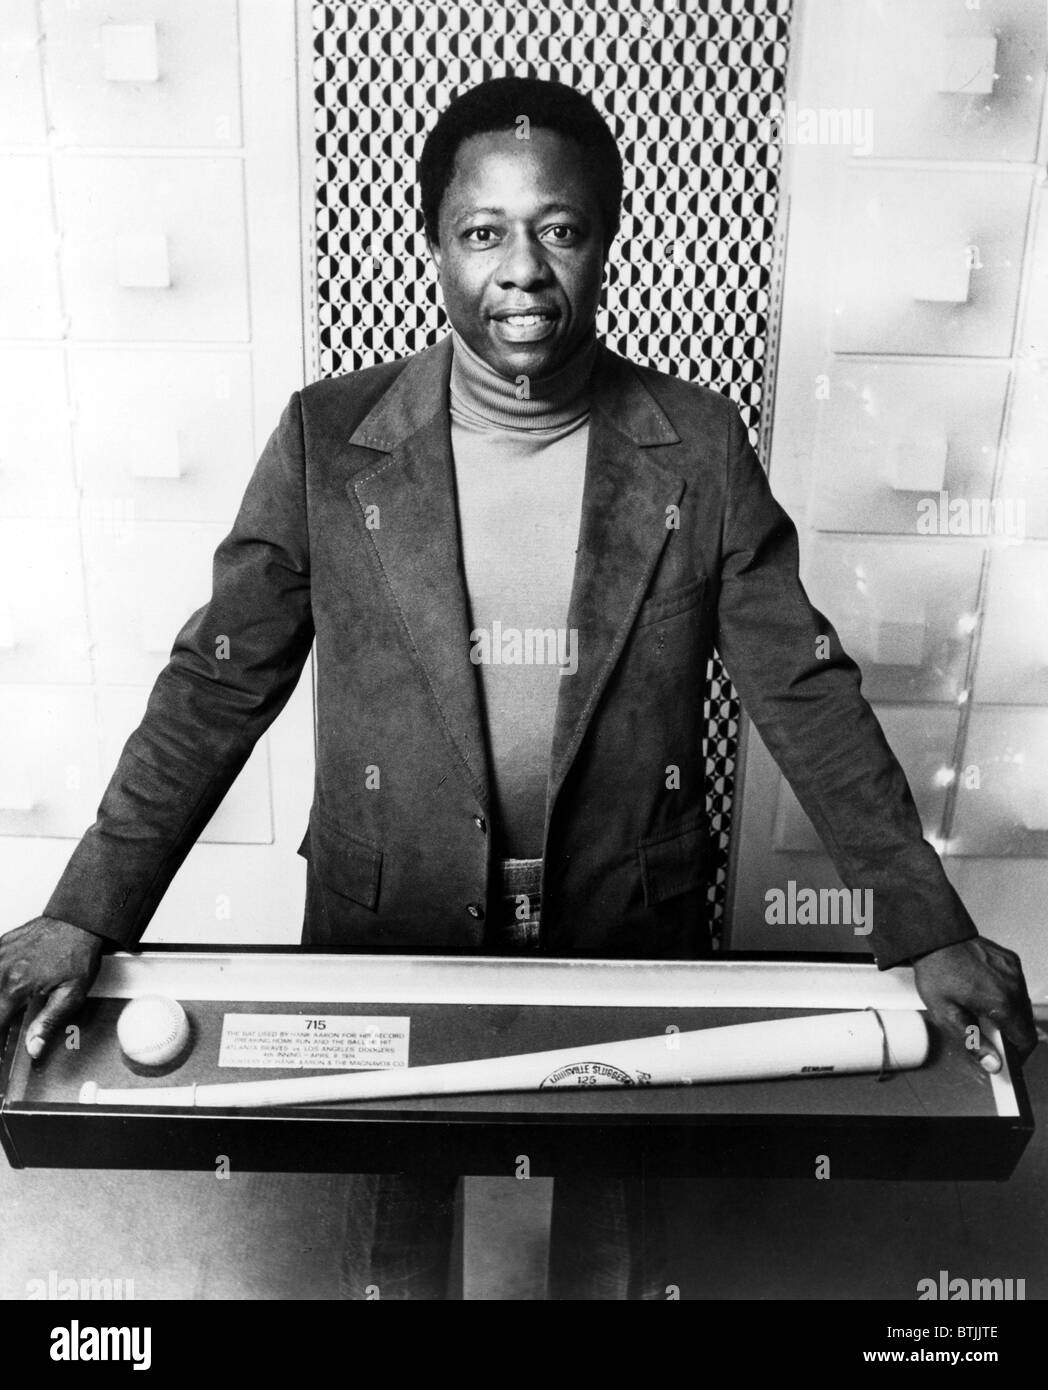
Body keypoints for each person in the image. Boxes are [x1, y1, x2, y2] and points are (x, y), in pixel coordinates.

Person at [0, 76, 1036, 1299]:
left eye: (558, 227)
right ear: (432, 244)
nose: (522, 269)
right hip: (390, 923)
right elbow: (213, 688)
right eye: (482, 230)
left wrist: (928, 919)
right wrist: (87, 904)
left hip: (625, 922)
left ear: (604, 239)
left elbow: (798, 687)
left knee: (614, 1236)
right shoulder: (327, 441)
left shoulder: (694, 445)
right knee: (394, 1238)